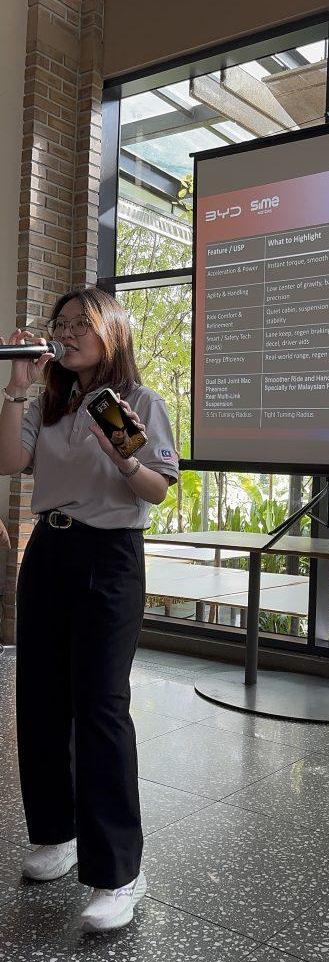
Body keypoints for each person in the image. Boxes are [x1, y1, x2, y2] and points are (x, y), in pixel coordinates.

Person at [0, 287, 179, 933]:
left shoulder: (139, 403)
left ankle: (119, 872)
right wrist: (16, 389)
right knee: (41, 698)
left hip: (110, 557)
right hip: (48, 551)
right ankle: (57, 834)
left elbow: (157, 491)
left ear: (112, 332)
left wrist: (125, 459)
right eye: (62, 323)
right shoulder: (47, 403)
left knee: (100, 707)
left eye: (82, 323)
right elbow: (8, 462)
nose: (67, 332)